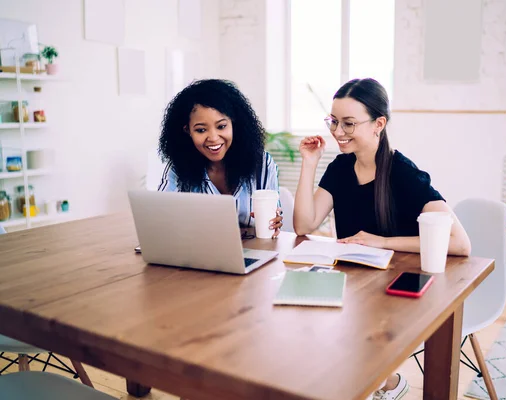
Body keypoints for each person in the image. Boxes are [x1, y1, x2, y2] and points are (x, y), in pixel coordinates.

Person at [293, 78, 471, 399]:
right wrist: (309, 164)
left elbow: (459, 244)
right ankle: (388, 384)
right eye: (333, 121)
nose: (337, 131)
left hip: (399, 288)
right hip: (356, 283)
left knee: (333, 349)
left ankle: (382, 383)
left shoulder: (403, 173)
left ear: (379, 124)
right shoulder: (341, 167)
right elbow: (304, 224)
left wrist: (380, 240)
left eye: (348, 123)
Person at [158, 79, 283, 238]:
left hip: (255, 251)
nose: (213, 138)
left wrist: (275, 220)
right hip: (199, 254)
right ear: (187, 131)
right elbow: (161, 217)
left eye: (221, 126)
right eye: (201, 130)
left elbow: (273, 216)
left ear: (234, 124)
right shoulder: (179, 167)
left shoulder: (262, 164)